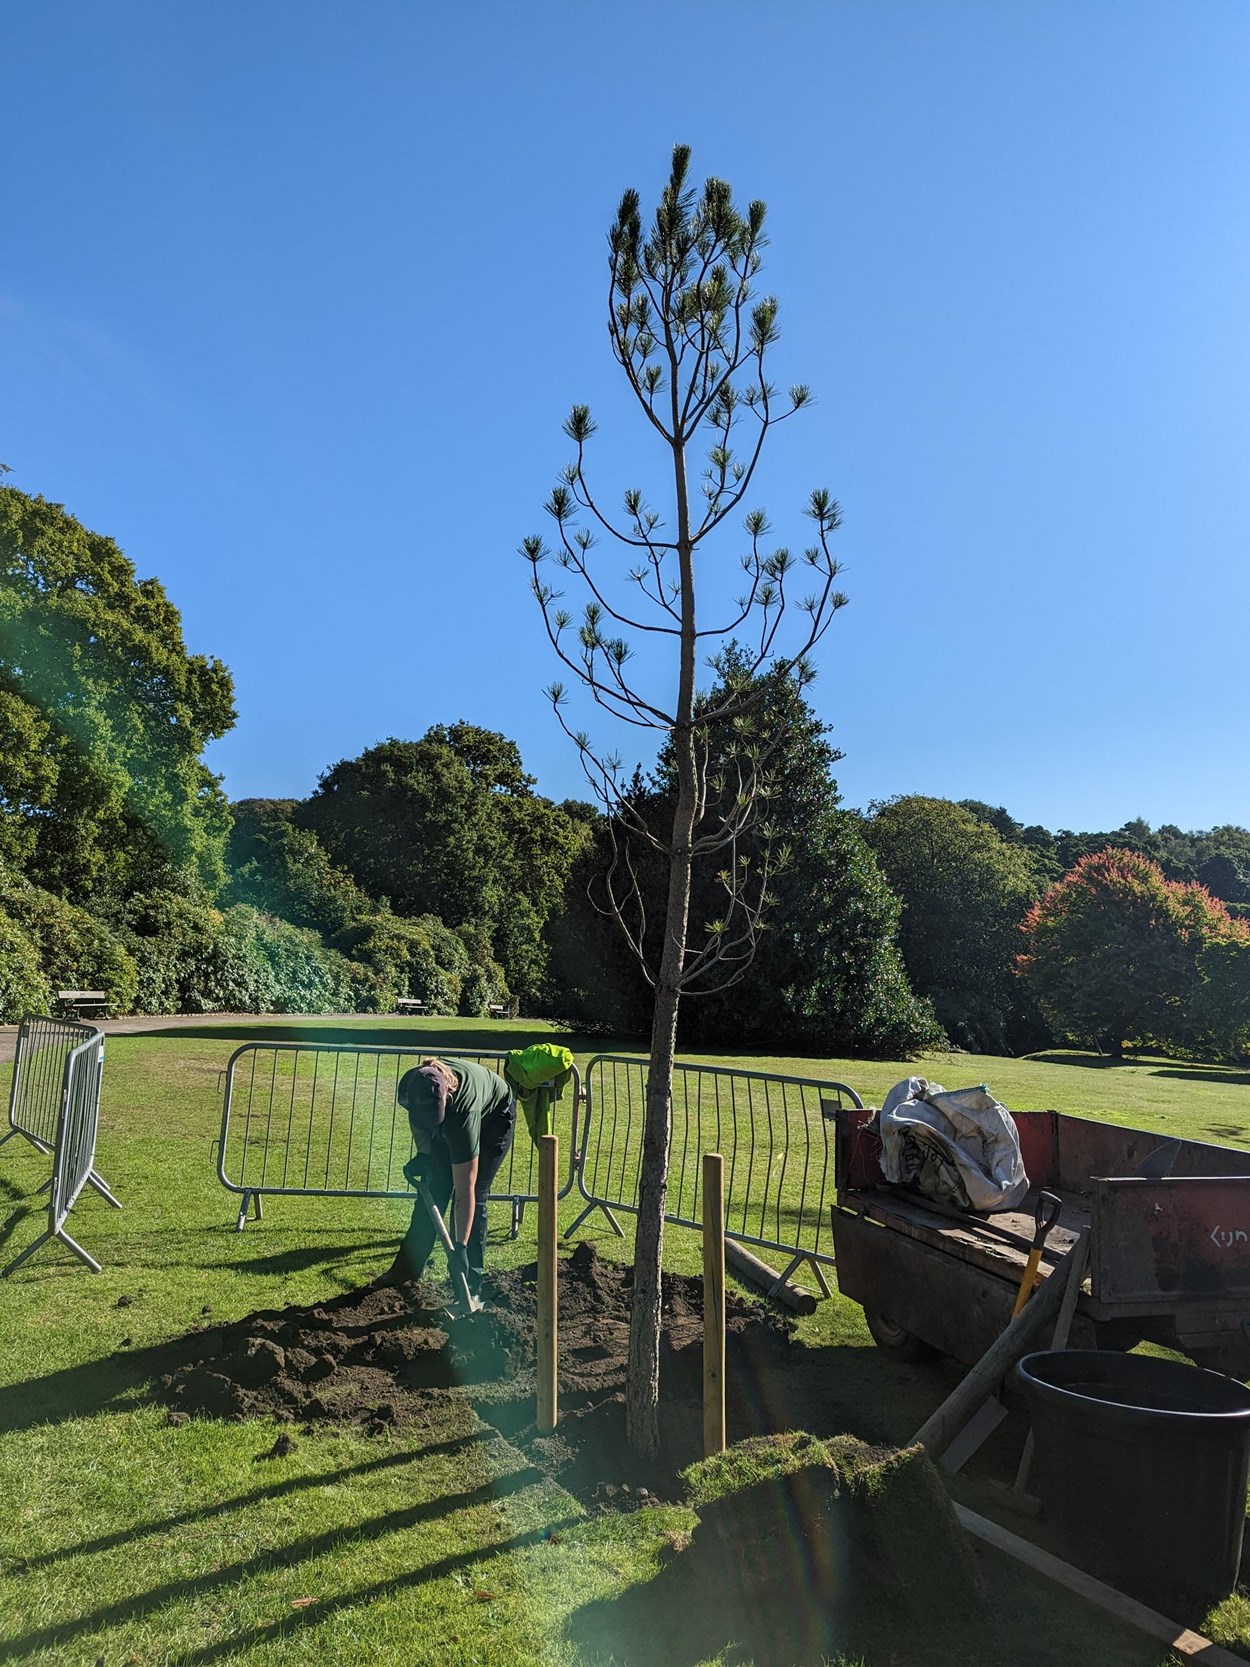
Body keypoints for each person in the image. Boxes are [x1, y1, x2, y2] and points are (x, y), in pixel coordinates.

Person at [381, 1056, 515, 1294]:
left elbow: (465, 1188)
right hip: (453, 1116)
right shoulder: (410, 1086)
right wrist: (424, 1155)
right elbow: (418, 1122)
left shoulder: (463, 1111)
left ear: (446, 1097)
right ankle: (406, 1270)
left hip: (494, 1119)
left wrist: (460, 1247)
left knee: (476, 1192)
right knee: (432, 1189)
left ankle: (469, 1278)